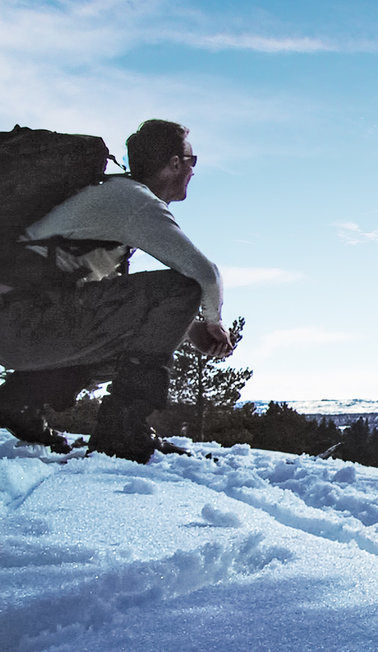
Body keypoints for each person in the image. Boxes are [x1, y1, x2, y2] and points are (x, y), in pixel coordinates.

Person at [0, 119, 232, 462]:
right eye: (191, 161)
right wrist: (214, 322)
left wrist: (189, 329)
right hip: (24, 323)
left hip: (19, 325)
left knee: (143, 325)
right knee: (179, 289)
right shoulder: (133, 201)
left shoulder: (110, 195)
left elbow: (113, 314)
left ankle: (21, 401)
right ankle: (123, 429)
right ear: (174, 163)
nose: (193, 171)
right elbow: (204, 275)